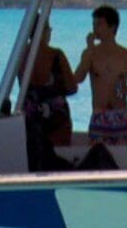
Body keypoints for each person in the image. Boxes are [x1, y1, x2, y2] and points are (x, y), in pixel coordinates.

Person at [76, 6, 127, 162]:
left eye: (99, 24)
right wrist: (89, 51)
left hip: (121, 115)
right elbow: (77, 78)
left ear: (112, 27)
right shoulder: (90, 53)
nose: (95, 29)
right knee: (97, 161)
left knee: (126, 161)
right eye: (94, 24)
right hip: (99, 116)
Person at [20, 30, 82, 170]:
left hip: (31, 115)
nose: (50, 32)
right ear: (42, 31)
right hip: (56, 116)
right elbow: (72, 87)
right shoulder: (55, 54)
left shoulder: (21, 56)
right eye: (48, 29)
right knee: (59, 157)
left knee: (35, 157)